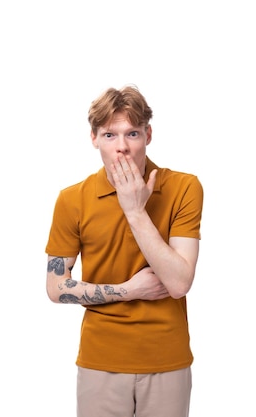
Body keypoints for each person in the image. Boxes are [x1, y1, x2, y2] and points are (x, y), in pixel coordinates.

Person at [45, 84, 204, 417]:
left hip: (166, 359)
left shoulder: (184, 188)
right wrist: (128, 291)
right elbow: (56, 288)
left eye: (132, 133)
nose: (122, 148)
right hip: (100, 360)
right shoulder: (71, 199)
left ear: (148, 134)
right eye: (109, 135)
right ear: (93, 139)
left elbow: (178, 283)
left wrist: (134, 210)